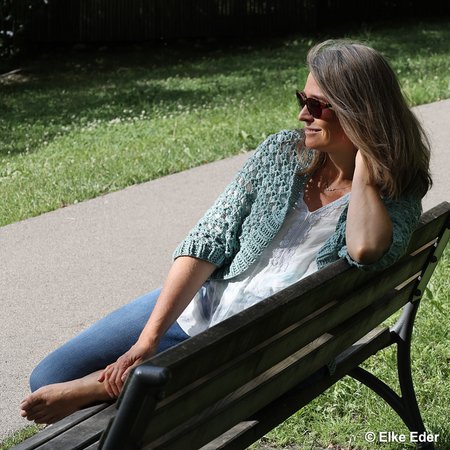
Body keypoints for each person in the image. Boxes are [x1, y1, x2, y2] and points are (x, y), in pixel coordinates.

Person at [20, 39, 431, 424]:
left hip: (256, 344)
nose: (302, 115)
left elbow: (364, 249)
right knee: (50, 375)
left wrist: (363, 175)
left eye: (316, 106)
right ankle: (125, 379)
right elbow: (209, 240)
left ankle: (108, 386)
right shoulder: (281, 153)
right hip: (207, 300)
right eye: (301, 99)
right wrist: (148, 339)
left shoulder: (394, 194)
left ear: (358, 114)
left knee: (131, 406)